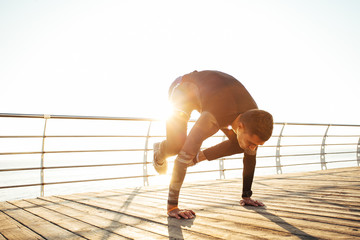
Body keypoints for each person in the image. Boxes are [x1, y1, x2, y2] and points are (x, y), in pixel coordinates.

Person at [153, 70, 273, 219]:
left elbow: (250, 156)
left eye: (257, 145)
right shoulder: (212, 118)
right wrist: (173, 207)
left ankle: (196, 158)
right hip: (183, 89)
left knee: (241, 145)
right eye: (252, 143)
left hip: (215, 97)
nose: (253, 148)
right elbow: (181, 159)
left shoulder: (253, 118)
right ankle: (160, 151)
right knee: (178, 146)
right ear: (240, 126)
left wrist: (246, 196)